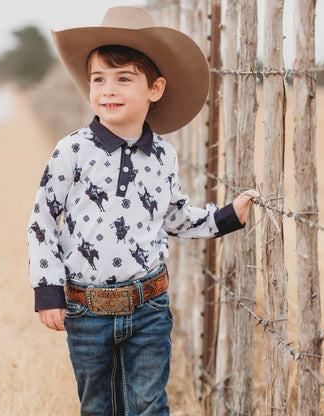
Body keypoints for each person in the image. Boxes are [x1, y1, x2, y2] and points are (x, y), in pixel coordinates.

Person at [27, 6, 256, 415]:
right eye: (98, 79)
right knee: (97, 406)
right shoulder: (72, 150)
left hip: (149, 305)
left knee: (149, 404)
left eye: (124, 78)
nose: (108, 90)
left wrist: (225, 218)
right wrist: (48, 290)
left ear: (155, 88)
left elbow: (175, 217)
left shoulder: (163, 156)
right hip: (86, 308)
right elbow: (43, 220)